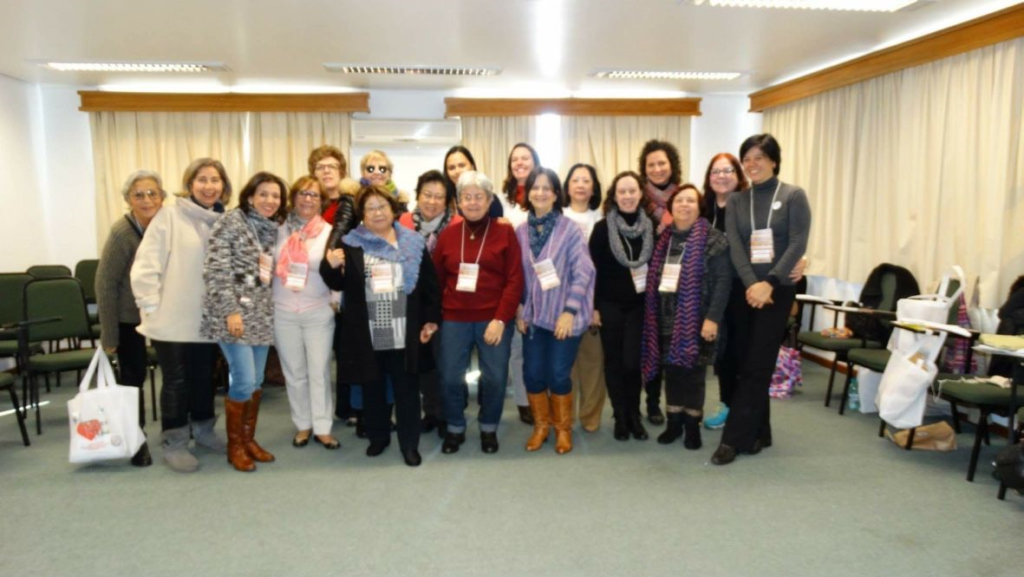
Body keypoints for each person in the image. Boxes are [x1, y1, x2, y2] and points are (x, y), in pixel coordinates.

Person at [320, 185, 440, 467]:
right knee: (372, 387)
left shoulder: (412, 242)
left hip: (404, 329)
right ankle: (378, 437)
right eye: (370, 208)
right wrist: (329, 265)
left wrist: (430, 319)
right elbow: (337, 282)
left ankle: (409, 445)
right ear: (362, 214)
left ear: (392, 209)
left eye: (382, 206)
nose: (377, 213)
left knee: (407, 390)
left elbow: (429, 286)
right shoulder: (351, 244)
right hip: (368, 330)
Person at [713, 134, 812, 465]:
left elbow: (798, 242)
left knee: (758, 364)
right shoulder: (737, 200)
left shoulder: (793, 195)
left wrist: (769, 282)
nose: (752, 164)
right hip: (745, 291)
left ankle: (734, 439)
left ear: (773, 160)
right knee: (746, 363)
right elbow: (735, 245)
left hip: (777, 291)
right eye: (747, 158)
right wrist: (752, 283)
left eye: (759, 157)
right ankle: (760, 431)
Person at [131, 158, 230, 472]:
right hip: (171, 317)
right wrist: (149, 305)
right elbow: (147, 263)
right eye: (202, 179)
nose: (208, 186)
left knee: (204, 377)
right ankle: (174, 442)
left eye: (215, 180)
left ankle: (203, 431)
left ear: (223, 186)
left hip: (207, 318)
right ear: (190, 184)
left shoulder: (224, 220)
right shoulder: (169, 216)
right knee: (176, 380)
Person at [433, 171, 524, 454]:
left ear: (489, 200)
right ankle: (455, 427)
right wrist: (435, 317)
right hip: (454, 318)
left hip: (493, 318)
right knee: (450, 377)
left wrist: (501, 319)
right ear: (458, 202)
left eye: (479, 196)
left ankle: (488, 427)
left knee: (495, 378)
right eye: (467, 197)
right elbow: (437, 279)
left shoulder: (505, 232)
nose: (472, 202)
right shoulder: (448, 235)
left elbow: (514, 280)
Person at [202, 171, 287, 472]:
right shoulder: (231, 222)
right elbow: (216, 270)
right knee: (244, 379)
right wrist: (230, 311)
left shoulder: (271, 228)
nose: (269, 200)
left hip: (260, 314)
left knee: (257, 380)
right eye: (263, 194)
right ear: (250, 196)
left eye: (275, 196)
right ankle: (234, 445)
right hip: (233, 314)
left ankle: (248, 439)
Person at [640, 184, 730, 450]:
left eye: (691, 200)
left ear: (699, 207)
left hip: (698, 320)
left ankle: (692, 426)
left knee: (693, 373)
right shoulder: (663, 239)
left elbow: (723, 282)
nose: (684, 205)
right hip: (664, 318)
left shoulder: (713, 239)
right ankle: (674, 423)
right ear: (671, 207)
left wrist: (712, 318)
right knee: (673, 372)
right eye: (679, 200)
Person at [515, 167, 595, 454]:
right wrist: (519, 308)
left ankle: (562, 429)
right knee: (533, 373)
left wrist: (569, 311)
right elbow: (516, 275)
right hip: (533, 317)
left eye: (546, 188)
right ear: (527, 193)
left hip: (563, 317)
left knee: (559, 374)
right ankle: (541, 426)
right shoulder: (520, 231)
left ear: (556, 194)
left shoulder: (569, 229)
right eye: (535, 187)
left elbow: (584, 272)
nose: (540, 193)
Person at [95, 169, 166, 467]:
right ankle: (136, 439)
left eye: (152, 193)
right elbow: (105, 284)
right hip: (128, 317)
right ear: (128, 199)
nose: (147, 200)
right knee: (133, 378)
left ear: (161, 197)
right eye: (139, 195)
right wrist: (109, 334)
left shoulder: (166, 225)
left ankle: (174, 431)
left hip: (163, 313)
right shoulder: (122, 232)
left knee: (173, 374)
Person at [273, 176, 340, 450]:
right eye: (302, 193)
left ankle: (323, 427)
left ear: (322, 201)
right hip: (283, 310)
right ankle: (303, 424)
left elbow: (337, 271)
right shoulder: (277, 229)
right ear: (293, 198)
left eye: (314, 195)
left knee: (319, 371)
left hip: (318, 311)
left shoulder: (329, 233)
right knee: (294, 372)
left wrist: (337, 300)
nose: (308, 199)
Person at [588, 171, 654, 441]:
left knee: (632, 363)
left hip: (640, 307)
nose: (627, 196)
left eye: (632, 191)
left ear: (641, 194)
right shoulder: (602, 229)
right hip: (609, 305)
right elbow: (591, 271)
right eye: (622, 192)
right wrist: (593, 307)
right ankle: (620, 416)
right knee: (614, 362)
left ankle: (634, 415)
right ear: (614, 197)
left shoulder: (651, 227)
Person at [400, 170, 463, 435]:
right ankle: (431, 411)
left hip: (448, 303)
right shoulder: (403, 222)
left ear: (447, 201)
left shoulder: (458, 224)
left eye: (439, 197)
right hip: (413, 303)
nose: (432, 201)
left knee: (446, 362)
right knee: (423, 360)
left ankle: (449, 413)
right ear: (418, 195)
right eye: (427, 194)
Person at [308, 145, 359, 426]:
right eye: (320, 167)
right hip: (311, 287)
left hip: (339, 284)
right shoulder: (311, 203)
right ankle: (320, 409)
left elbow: (342, 240)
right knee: (318, 356)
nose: (326, 171)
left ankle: (347, 407)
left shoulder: (350, 201)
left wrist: (331, 264)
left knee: (344, 348)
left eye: (332, 166)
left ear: (341, 171)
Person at [637, 139, 685, 425]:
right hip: (646, 285)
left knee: (676, 346)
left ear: (672, 165)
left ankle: (678, 404)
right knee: (652, 345)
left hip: (681, 285)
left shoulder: (685, 197)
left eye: (662, 163)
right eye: (651, 164)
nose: (657, 169)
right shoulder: (638, 200)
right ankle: (653, 403)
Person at [561, 163, 606, 432]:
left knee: (592, 363)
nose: (580, 185)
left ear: (593, 188)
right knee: (564, 365)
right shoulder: (558, 217)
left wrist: (595, 305)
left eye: (586, 180)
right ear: (567, 187)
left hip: (592, 304)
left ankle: (590, 416)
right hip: (561, 303)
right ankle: (564, 416)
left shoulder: (602, 220)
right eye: (575, 180)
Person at [499, 143, 541, 425]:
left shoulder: (545, 193)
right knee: (517, 346)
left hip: (542, 280)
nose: (520, 162)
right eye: (515, 159)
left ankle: (542, 397)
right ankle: (524, 402)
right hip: (512, 278)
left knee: (541, 344)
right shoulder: (502, 199)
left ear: (535, 161)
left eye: (525, 157)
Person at [443, 145, 502, 218]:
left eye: (461, 165)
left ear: (472, 166)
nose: (457, 171)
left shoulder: (489, 198)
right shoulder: (444, 201)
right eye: (452, 168)